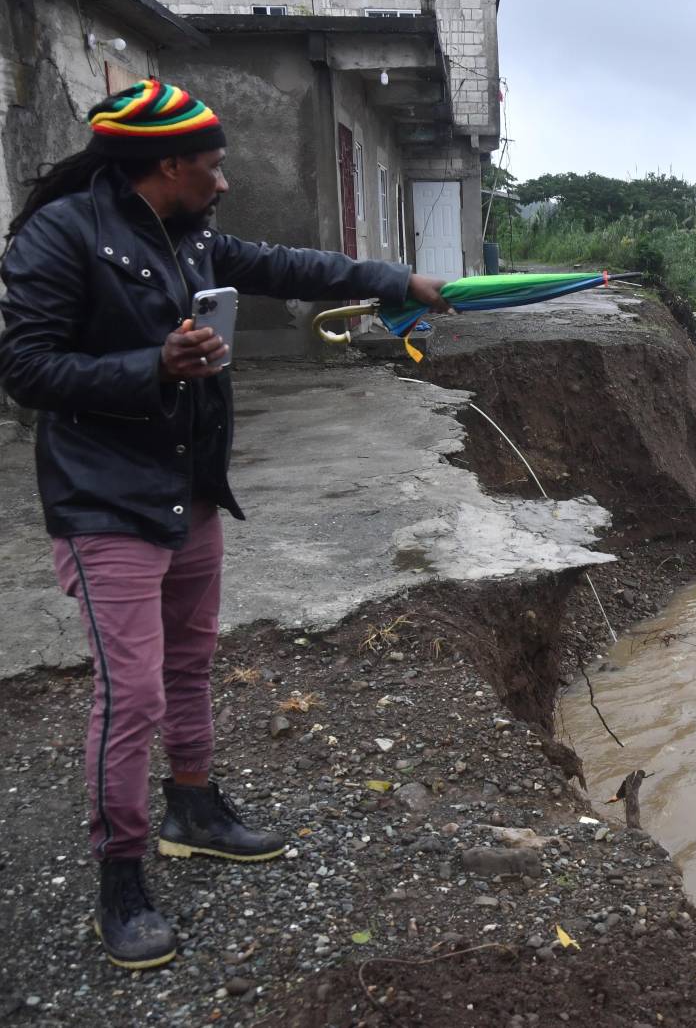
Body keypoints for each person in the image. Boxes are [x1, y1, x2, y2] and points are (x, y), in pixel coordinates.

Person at [0, 79, 449, 971]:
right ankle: (120, 876)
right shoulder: (61, 234)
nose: (226, 181)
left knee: (190, 661)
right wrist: (155, 365)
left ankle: (194, 808)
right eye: (214, 165)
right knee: (131, 694)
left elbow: (289, 267)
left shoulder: (192, 232)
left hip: (189, 484)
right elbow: (25, 367)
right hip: (104, 499)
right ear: (168, 166)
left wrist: (397, 281)